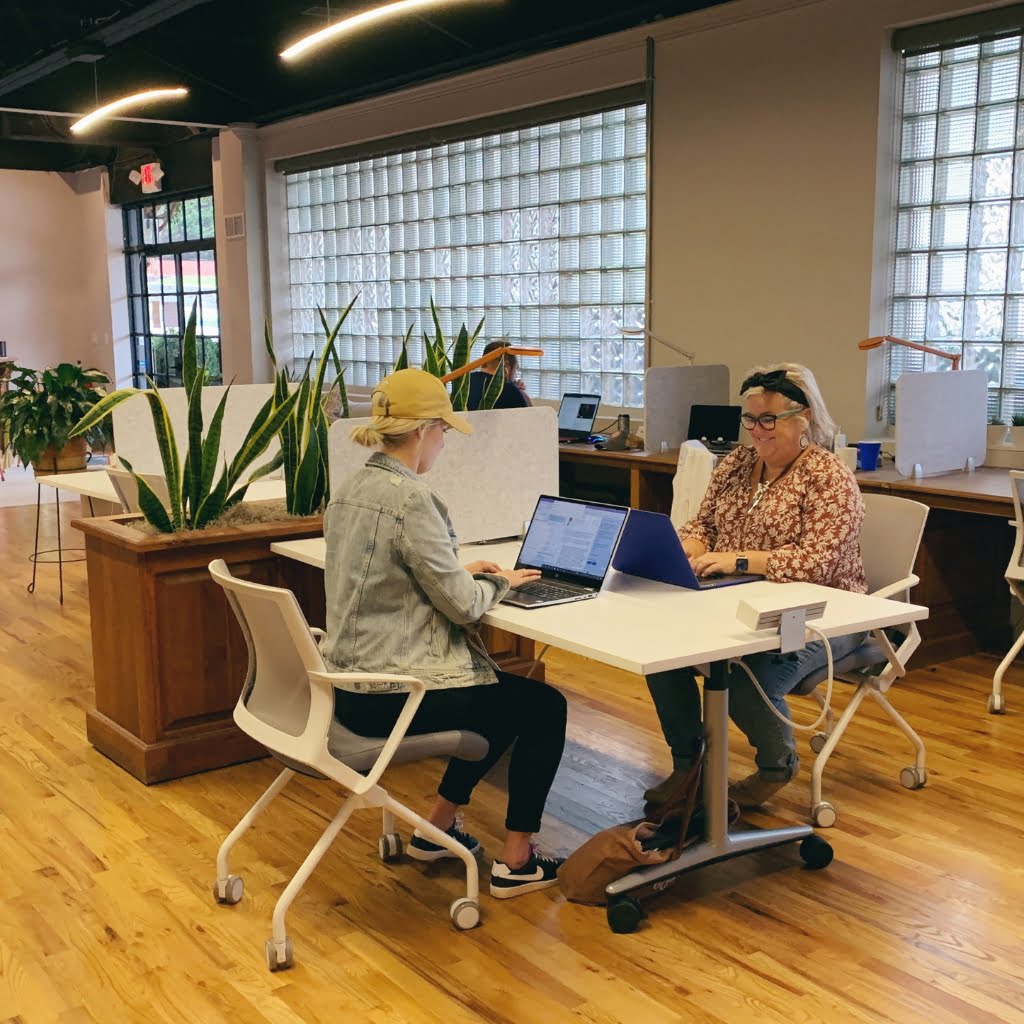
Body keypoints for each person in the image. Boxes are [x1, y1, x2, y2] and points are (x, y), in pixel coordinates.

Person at [322, 368, 567, 898]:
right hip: (392, 695)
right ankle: (517, 860)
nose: (442, 442)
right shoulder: (413, 499)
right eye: (443, 431)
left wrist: (460, 570)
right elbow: (462, 608)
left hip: (348, 685)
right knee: (543, 706)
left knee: (497, 691)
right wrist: (495, 581)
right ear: (422, 430)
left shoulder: (349, 489)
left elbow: (394, 575)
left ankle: (437, 828)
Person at [644, 363, 868, 809]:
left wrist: (740, 559)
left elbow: (818, 563)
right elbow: (702, 522)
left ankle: (775, 766)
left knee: (746, 680)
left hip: (828, 613)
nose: (757, 431)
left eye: (769, 419)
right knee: (663, 657)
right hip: (740, 600)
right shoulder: (737, 463)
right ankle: (690, 766)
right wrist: (688, 546)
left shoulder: (828, 477)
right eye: (750, 419)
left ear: (803, 418)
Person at [466, 340, 533, 410]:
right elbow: (532, 417)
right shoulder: (510, 391)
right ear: (506, 365)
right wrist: (521, 392)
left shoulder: (466, 381)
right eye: (516, 369)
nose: (516, 376)